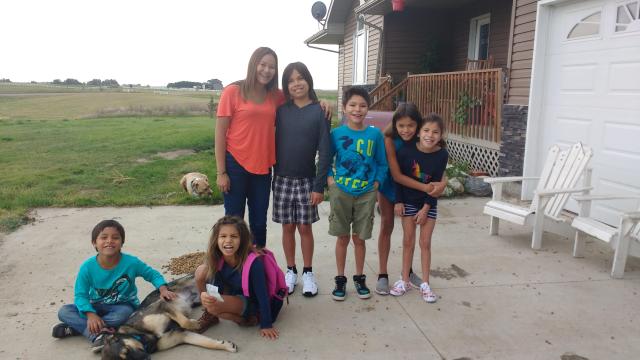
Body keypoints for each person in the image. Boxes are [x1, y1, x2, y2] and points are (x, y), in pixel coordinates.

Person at [215, 47, 331, 249]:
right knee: (233, 222)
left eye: (271, 67)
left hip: (263, 168)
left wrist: (322, 102)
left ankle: (258, 266)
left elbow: (300, 97)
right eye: (263, 64)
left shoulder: (276, 96)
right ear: (254, 64)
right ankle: (233, 269)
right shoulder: (233, 92)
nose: (267, 70)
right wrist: (221, 171)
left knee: (259, 223)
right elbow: (220, 134)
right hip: (235, 165)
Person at [51, 219, 176, 352]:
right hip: (95, 306)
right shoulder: (87, 267)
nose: (109, 241)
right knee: (64, 311)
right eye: (103, 237)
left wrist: (163, 288)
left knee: (123, 315)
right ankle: (98, 334)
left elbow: (152, 274)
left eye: (115, 237)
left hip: (122, 307)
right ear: (94, 243)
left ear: (122, 242)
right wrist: (90, 314)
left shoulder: (131, 263)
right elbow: (80, 295)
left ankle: (78, 328)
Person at [375, 103, 447, 295]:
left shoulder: (423, 138)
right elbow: (397, 176)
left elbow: (437, 166)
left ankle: (407, 272)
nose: (406, 130)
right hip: (391, 186)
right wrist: (428, 187)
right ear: (396, 124)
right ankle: (383, 274)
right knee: (387, 225)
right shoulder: (389, 138)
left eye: (411, 125)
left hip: (412, 191)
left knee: (409, 236)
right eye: (402, 125)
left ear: (418, 125)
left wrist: (442, 183)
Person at [273, 62, 332, 297]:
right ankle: (291, 271)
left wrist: (319, 185)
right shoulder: (280, 110)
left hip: (307, 180)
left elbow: (325, 151)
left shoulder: (320, 111)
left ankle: (308, 272)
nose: (296, 83)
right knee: (287, 227)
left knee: (304, 228)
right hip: (281, 179)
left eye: (300, 78)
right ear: (286, 86)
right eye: (291, 80)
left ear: (308, 80)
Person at [327, 87, 388, 301]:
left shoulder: (374, 134)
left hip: (366, 194)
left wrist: (377, 183)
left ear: (368, 108)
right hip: (341, 192)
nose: (357, 109)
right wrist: (330, 180)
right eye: (352, 105)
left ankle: (359, 278)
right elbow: (325, 159)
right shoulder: (336, 134)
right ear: (344, 108)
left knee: (359, 239)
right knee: (342, 238)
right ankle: (340, 279)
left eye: (362, 105)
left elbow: (382, 162)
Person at [195, 216, 281, 340]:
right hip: (235, 294)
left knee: (214, 306)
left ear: (242, 240)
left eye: (234, 236)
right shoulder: (218, 258)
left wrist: (266, 324)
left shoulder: (254, 262)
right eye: (223, 236)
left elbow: (263, 296)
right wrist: (205, 296)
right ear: (216, 239)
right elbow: (215, 288)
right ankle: (211, 316)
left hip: (252, 302)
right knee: (200, 271)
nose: (228, 240)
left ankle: (247, 319)